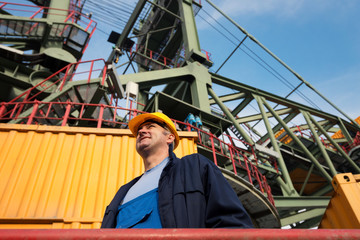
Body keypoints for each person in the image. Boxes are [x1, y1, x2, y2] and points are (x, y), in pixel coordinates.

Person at [101, 112, 253, 228]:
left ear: (170, 138)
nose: (141, 132)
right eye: (139, 130)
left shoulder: (194, 168)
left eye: (150, 127)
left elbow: (231, 221)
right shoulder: (123, 192)